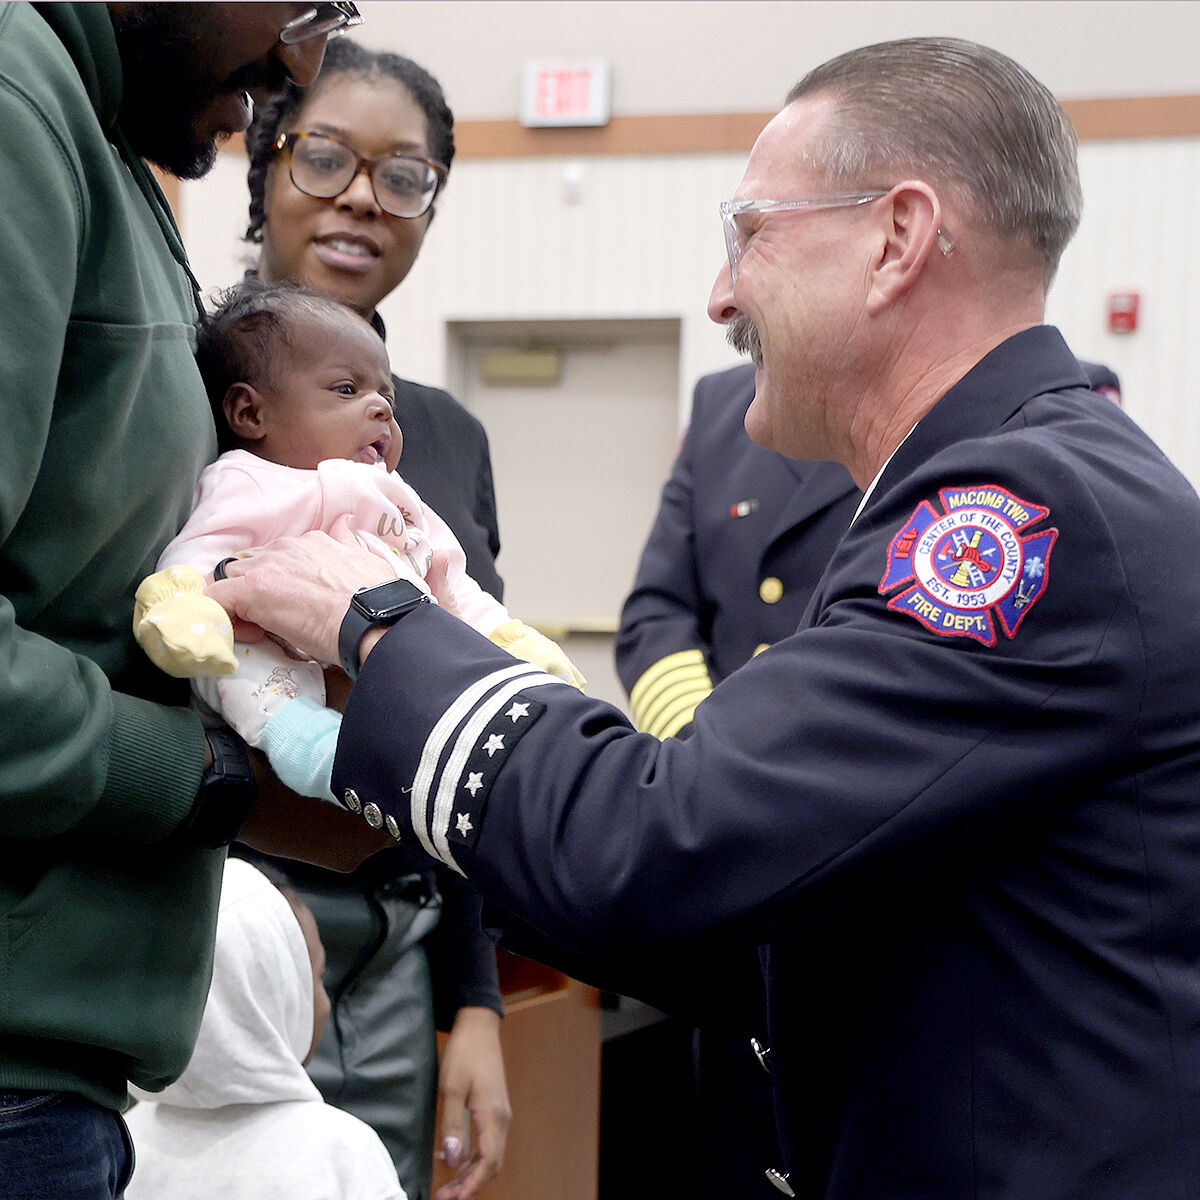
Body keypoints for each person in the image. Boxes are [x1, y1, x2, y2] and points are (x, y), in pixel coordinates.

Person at [210, 36, 1200, 1200]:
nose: (722, 295)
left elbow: (664, 843)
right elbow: (773, 905)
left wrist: (372, 621)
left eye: (752, 233)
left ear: (897, 239)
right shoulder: (1011, 475)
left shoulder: (1016, 516)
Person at [0, 5, 366, 1197]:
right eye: (308, 4)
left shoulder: (101, 130)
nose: (304, 62)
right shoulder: (19, 101)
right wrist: (193, 773)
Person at [233, 41, 515, 1200]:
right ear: (263, 164)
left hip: (395, 938)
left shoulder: (446, 436)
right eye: (328, 157)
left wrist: (478, 1004)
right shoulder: (178, 383)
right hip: (217, 933)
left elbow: (474, 716)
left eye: (405, 177)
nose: (362, 195)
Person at [137, 278, 580, 805]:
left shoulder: (397, 495)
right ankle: (300, 739)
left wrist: (506, 641)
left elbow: (451, 583)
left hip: (375, 657)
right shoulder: (248, 480)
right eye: (347, 390)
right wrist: (184, 605)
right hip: (272, 643)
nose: (382, 410)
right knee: (243, 666)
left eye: (386, 396)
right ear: (251, 413)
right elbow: (200, 555)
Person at [124, 857, 406, 1200]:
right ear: (266, 994)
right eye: (314, 978)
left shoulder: (122, 1143)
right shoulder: (339, 1149)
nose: (325, 1003)